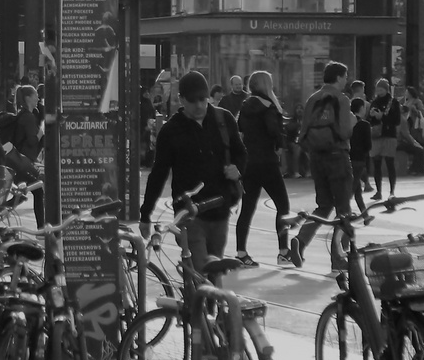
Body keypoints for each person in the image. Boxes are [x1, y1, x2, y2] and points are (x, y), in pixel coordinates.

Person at [141, 70, 247, 270]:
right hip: (189, 214)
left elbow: (240, 153)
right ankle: (197, 296)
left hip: (220, 209)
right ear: (181, 99)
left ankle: (206, 300)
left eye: (203, 99)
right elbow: (159, 174)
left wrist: (237, 169)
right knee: (202, 270)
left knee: (216, 272)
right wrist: (145, 214)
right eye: (193, 100)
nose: (199, 105)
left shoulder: (224, 120)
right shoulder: (171, 131)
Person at [290, 61, 355, 268]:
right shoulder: (342, 99)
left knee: (324, 205)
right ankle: (339, 256)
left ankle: (300, 240)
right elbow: (344, 131)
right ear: (338, 78)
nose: (346, 80)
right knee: (343, 209)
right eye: (345, 77)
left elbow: (303, 132)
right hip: (338, 155)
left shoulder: (312, 98)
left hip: (317, 158)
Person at [236, 70, 291, 265]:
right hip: (267, 161)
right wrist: (278, 145)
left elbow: (239, 129)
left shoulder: (245, 105)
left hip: (249, 162)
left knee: (247, 207)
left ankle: (241, 252)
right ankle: (283, 251)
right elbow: (273, 130)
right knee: (283, 206)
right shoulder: (269, 106)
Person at [6, 84, 45, 227]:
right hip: (23, 161)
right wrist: (42, 129)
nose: (38, 98)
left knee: (22, 194)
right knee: (37, 191)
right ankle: (41, 226)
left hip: (20, 160)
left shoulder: (24, 114)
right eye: (35, 95)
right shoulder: (28, 117)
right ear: (28, 98)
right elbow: (33, 140)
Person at [366, 79, 401, 199]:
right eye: (377, 89)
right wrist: (371, 116)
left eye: (381, 89)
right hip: (376, 135)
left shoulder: (393, 102)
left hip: (389, 135)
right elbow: (368, 120)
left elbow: (396, 120)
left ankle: (392, 191)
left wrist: (382, 117)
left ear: (386, 90)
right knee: (376, 164)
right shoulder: (374, 102)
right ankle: (378, 191)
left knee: (389, 163)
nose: (379, 92)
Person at [348, 97, 372, 217]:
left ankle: (365, 215)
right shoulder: (364, 125)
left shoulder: (347, 122)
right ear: (361, 108)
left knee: (357, 189)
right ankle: (344, 214)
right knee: (352, 188)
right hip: (359, 159)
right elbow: (368, 145)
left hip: (348, 157)